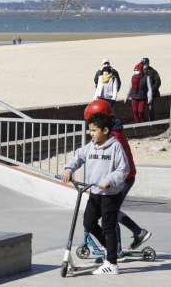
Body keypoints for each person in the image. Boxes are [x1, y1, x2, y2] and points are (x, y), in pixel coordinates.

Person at [62, 112, 129, 275]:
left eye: (94, 130)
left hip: (111, 195)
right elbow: (78, 157)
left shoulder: (115, 147)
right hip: (94, 193)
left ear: (105, 130)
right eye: (90, 130)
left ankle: (112, 264)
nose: (91, 134)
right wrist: (69, 169)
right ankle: (109, 249)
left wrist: (109, 180)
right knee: (89, 222)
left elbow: (123, 169)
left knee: (108, 227)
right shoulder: (91, 145)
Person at [84, 101, 152, 260]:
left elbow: (116, 165)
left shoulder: (113, 137)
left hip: (122, 179)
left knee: (109, 212)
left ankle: (118, 249)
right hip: (121, 178)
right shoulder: (113, 129)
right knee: (109, 211)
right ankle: (137, 232)